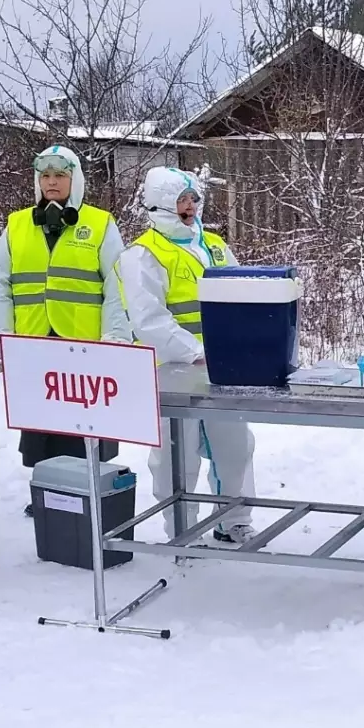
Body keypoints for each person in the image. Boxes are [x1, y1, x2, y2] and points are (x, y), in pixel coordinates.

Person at [114, 166, 258, 545]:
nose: (189, 206)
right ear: (160, 202)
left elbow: (240, 293)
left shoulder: (213, 245)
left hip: (224, 368)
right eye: (181, 199)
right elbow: (149, 321)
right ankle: (181, 528)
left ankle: (234, 519)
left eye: (193, 198)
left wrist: (247, 341)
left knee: (235, 445)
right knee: (175, 458)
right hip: (172, 372)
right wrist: (196, 351)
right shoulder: (142, 255)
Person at [0, 145, 129, 515]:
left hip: (82, 345)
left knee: (83, 422)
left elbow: (118, 284)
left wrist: (115, 336)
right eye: (45, 176)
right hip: (33, 342)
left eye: (60, 175)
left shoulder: (99, 223)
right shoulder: (17, 225)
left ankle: (86, 493)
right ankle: (48, 494)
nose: (52, 182)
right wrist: (1, 335)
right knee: (40, 423)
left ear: (74, 180)